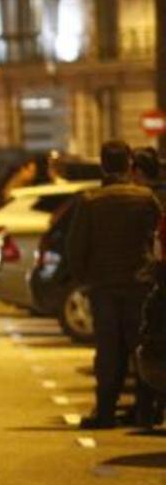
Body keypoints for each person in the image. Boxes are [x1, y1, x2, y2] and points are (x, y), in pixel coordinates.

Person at [66, 141, 162, 429]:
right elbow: (156, 240)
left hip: (104, 286)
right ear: (129, 164)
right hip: (139, 284)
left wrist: (83, 278)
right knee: (141, 347)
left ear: (103, 165)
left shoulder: (90, 200)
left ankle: (105, 411)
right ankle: (145, 412)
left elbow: (75, 246)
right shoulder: (146, 198)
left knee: (109, 350)